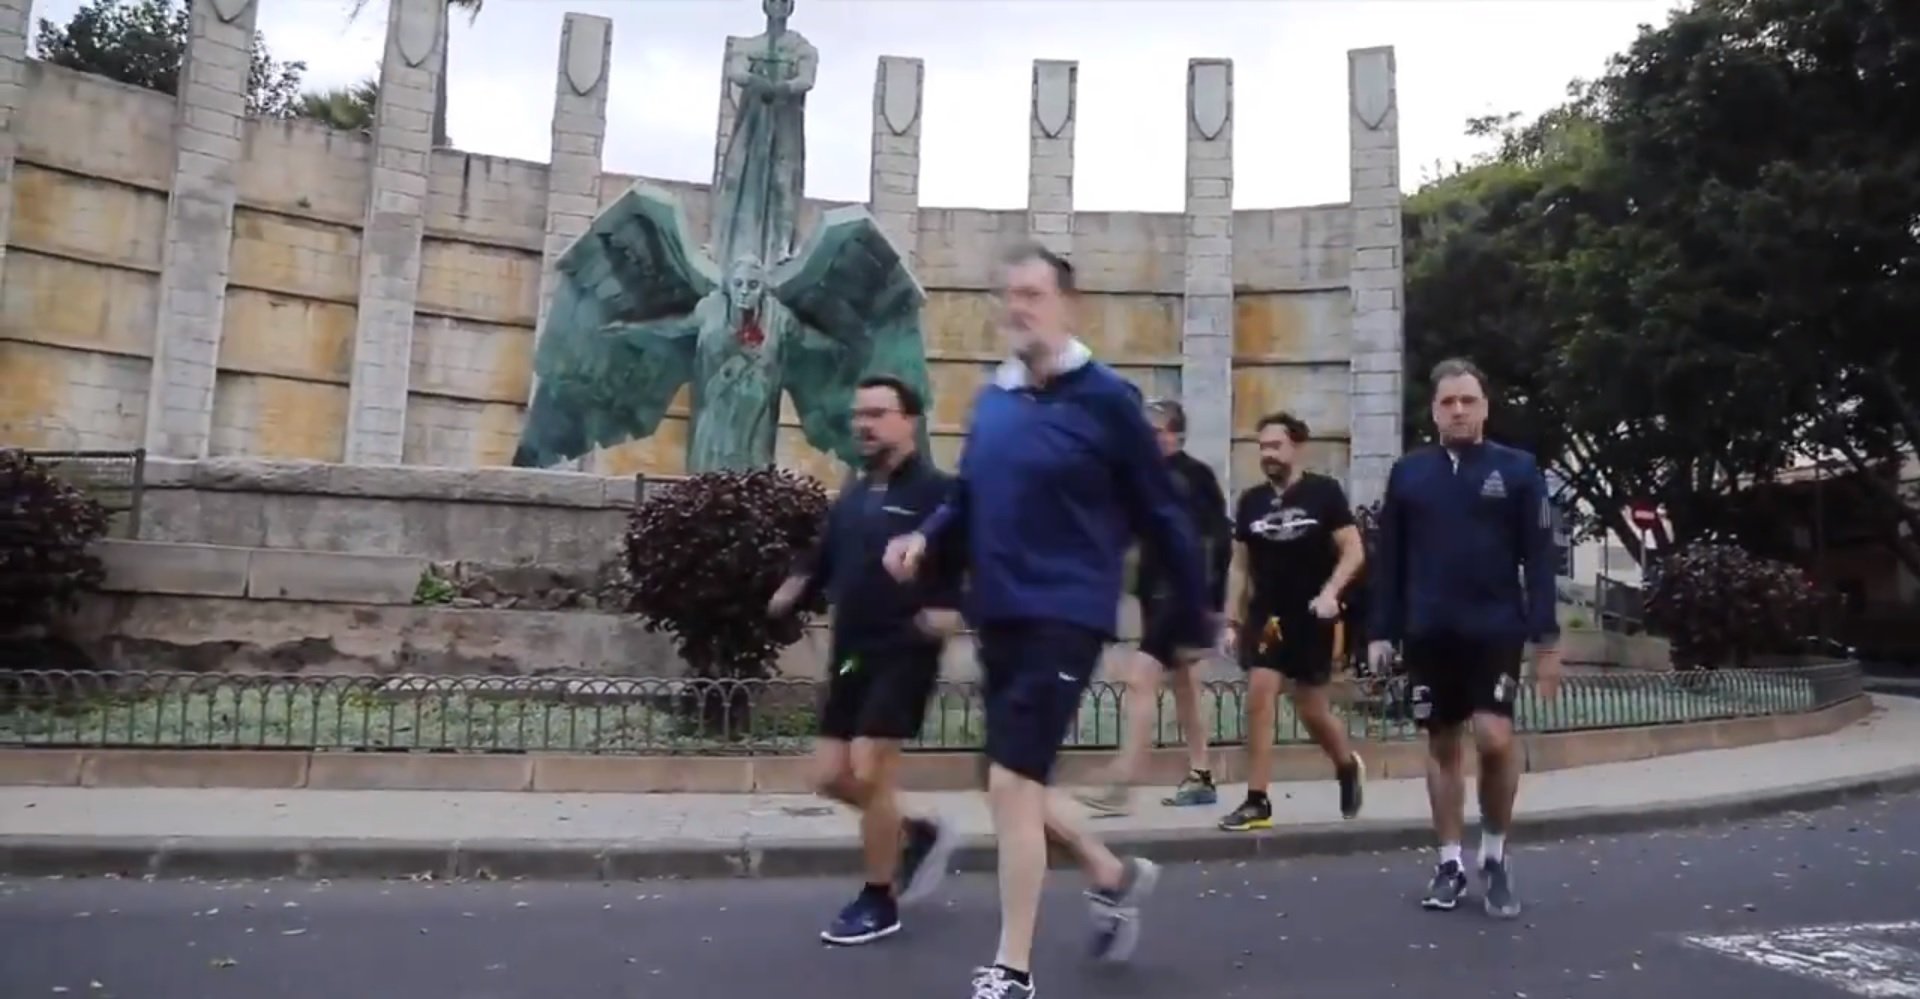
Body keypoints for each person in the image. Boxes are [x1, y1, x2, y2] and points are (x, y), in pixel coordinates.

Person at [882, 243, 1212, 999]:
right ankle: (1113, 873)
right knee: (1010, 784)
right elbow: (967, 496)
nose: (1019, 307)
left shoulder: (1107, 400)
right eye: (1012, 295)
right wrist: (924, 539)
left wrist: (1191, 614)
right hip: (999, 611)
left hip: (1068, 611)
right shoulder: (994, 401)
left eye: (1034, 294)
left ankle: (1012, 968)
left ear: (1068, 304)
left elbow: (1163, 513)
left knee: (1011, 779)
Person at [768, 374, 962, 946]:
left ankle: (880, 899)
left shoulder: (938, 493)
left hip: (906, 647)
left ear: (910, 421)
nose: (864, 424)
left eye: (878, 413)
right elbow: (824, 556)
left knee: (873, 767)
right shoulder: (855, 491)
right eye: (859, 414)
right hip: (852, 652)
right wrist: (791, 588)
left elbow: (973, 559)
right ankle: (914, 833)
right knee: (830, 776)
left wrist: (951, 607)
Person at [1367, 357, 1563, 919]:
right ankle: (1450, 862)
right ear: (1434, 411)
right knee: (1442, 744)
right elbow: (1390, 561)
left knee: (1495, 739)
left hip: (1496, 628)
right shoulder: (1409, 474)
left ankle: (1495, 855)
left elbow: (1540, 559)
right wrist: (1380, 630)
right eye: (1448, 402)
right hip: (1429, 630)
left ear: (1484, 407)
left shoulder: (1520, 470)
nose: (1458, 410)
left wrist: (1546, 638)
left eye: (1468, 400)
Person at [1075, 398, 1229, 815]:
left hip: (1184, 594)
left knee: (1141, 676)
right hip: (1155, 592)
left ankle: (1124, 780)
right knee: (1186, 688)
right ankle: (1202, 774)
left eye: (1156, 431)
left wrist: (1212, 606)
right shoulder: (1142, 478)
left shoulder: (1193, 477)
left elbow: (1218, 540)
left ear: (1175, 434)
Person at [1216, 412, 1368, 832]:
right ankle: (1257, 799)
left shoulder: (1324, 494)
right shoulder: (1250, 502)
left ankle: (1345, 764)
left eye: (1275, 446)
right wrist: (1232, 619)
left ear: (1296, 447)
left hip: (1313, 614)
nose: (1268, 455)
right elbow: (1240, 567)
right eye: (1262, 447)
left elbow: (1354, 551)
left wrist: (1331, 593)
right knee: (1259, 695)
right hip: (1268, 616)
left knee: (1311, 708)